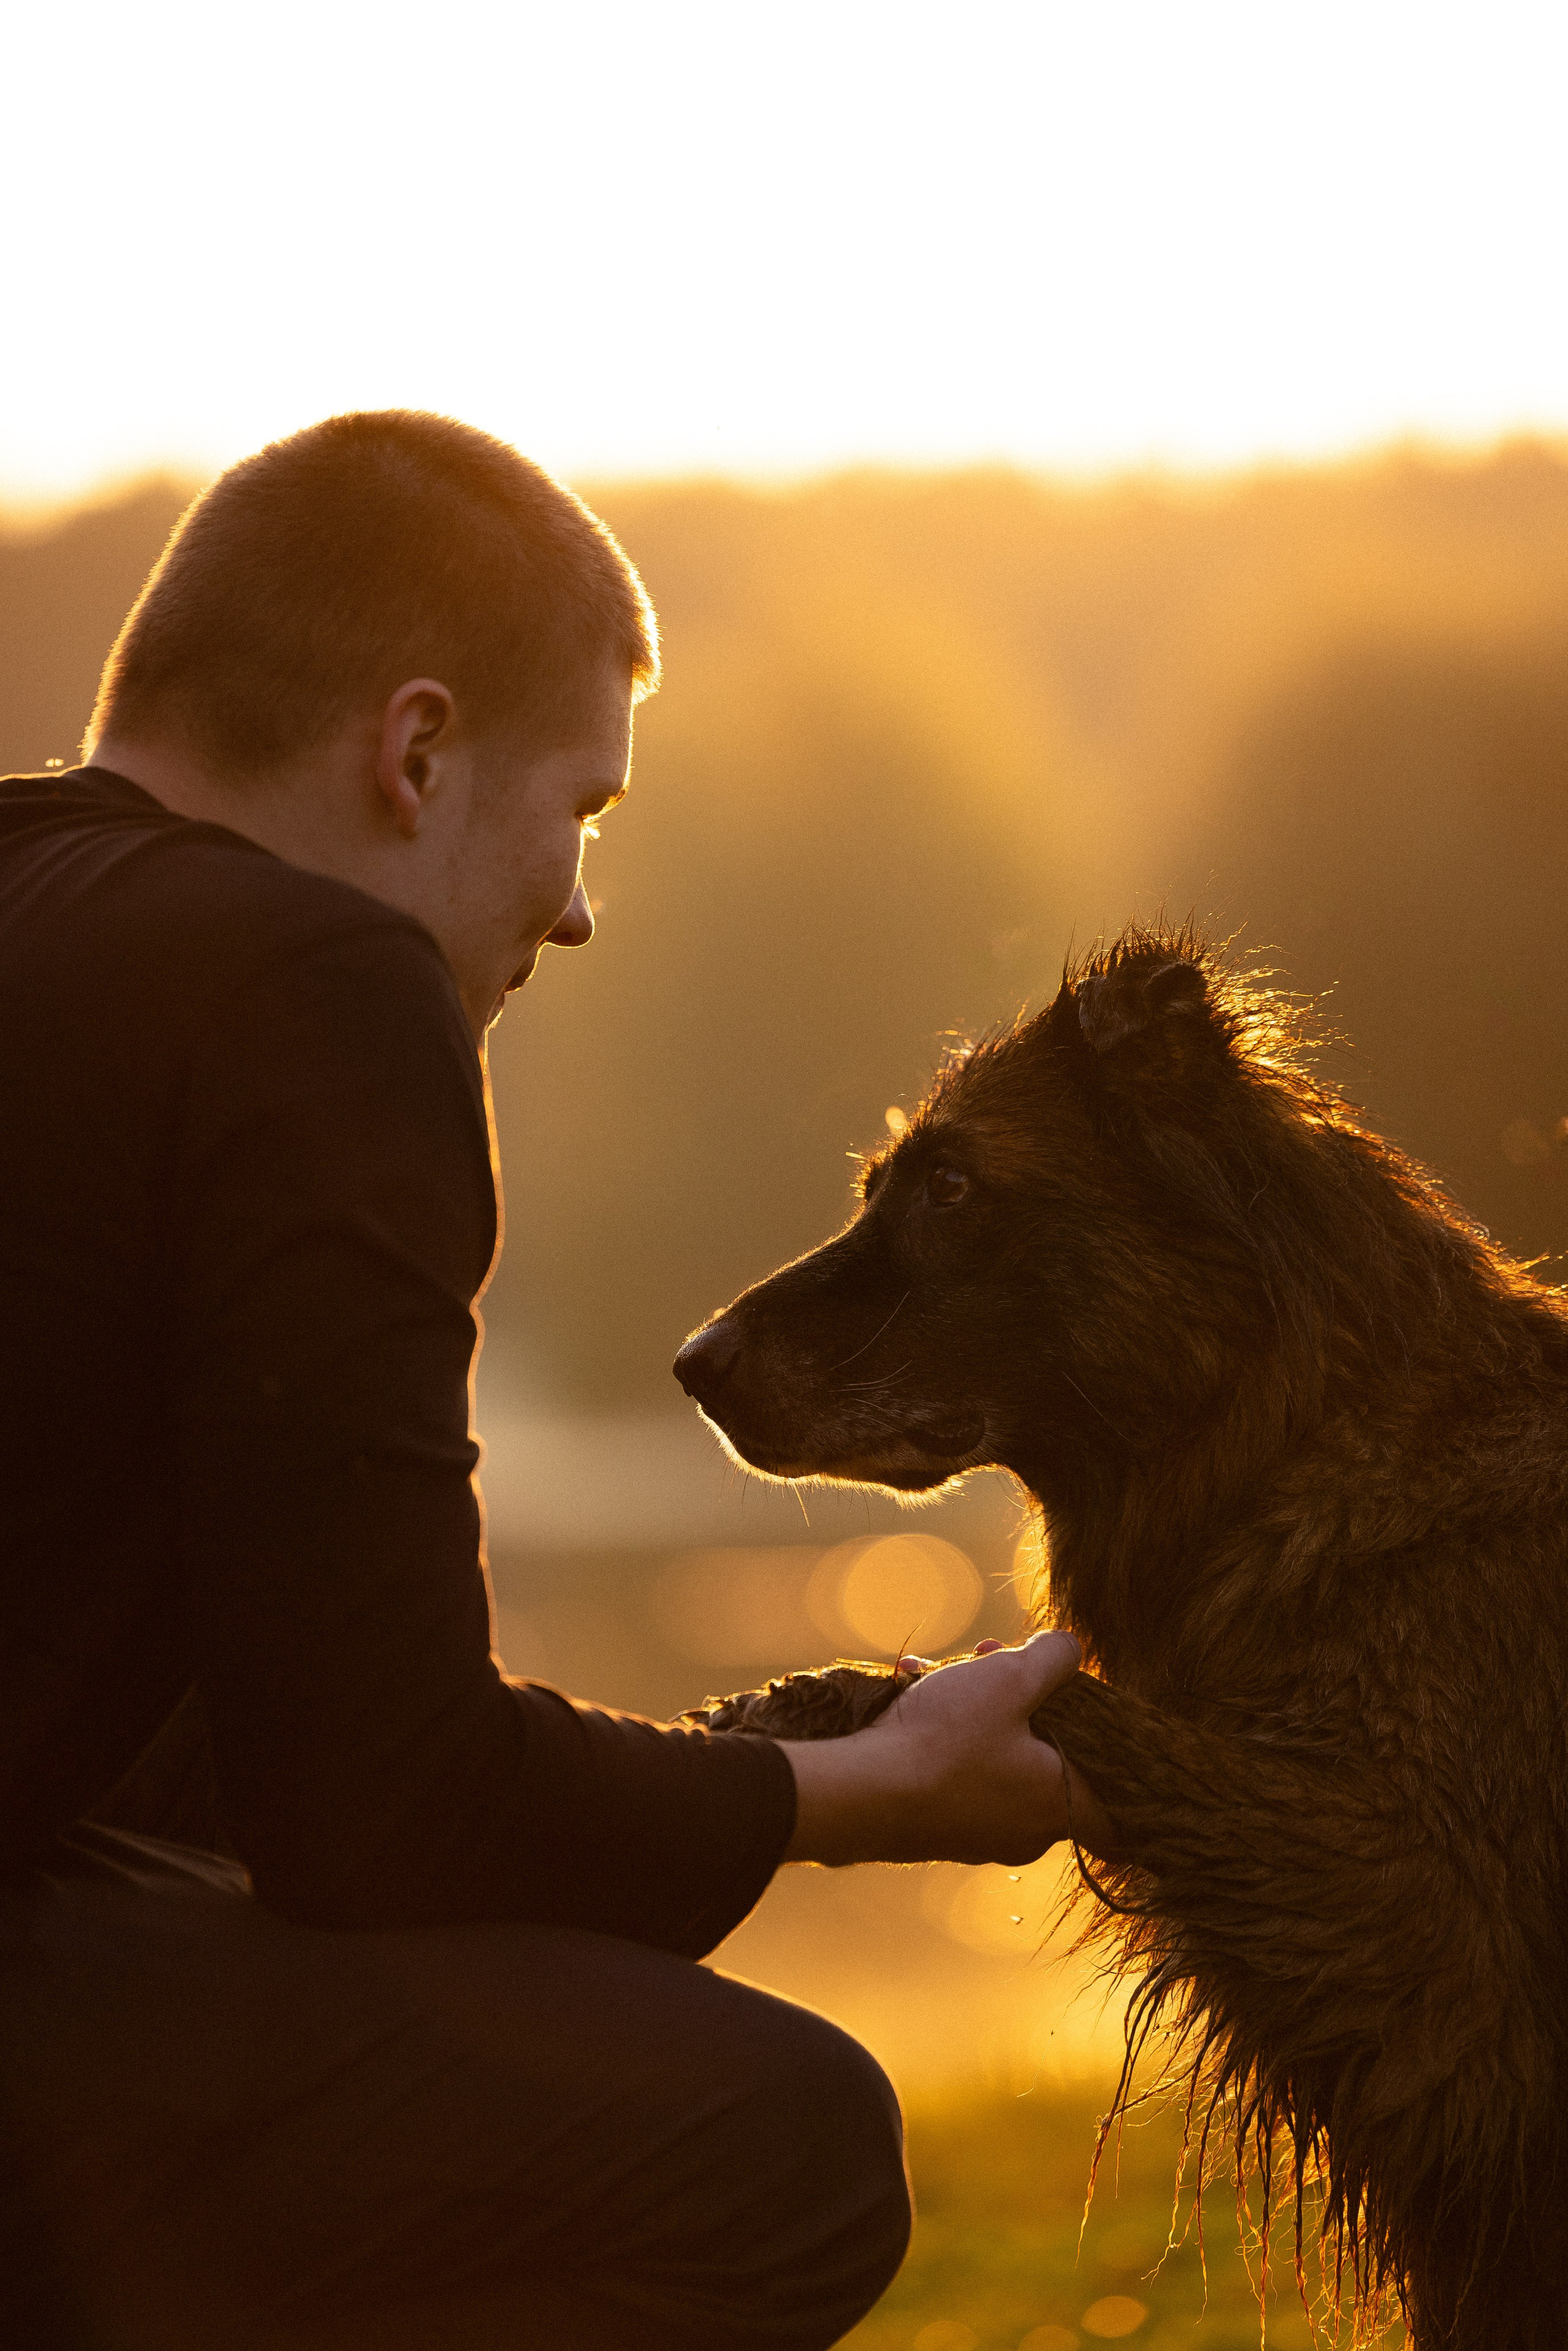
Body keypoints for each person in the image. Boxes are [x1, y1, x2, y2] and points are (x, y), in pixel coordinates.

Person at [0, 412, 1104, 2351]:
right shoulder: (311, 989)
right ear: (415, 753)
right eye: (583, 812)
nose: (581, 906)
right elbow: (380, 1803)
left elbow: (247, 1747)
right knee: (777, 2143)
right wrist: (861, 1788)